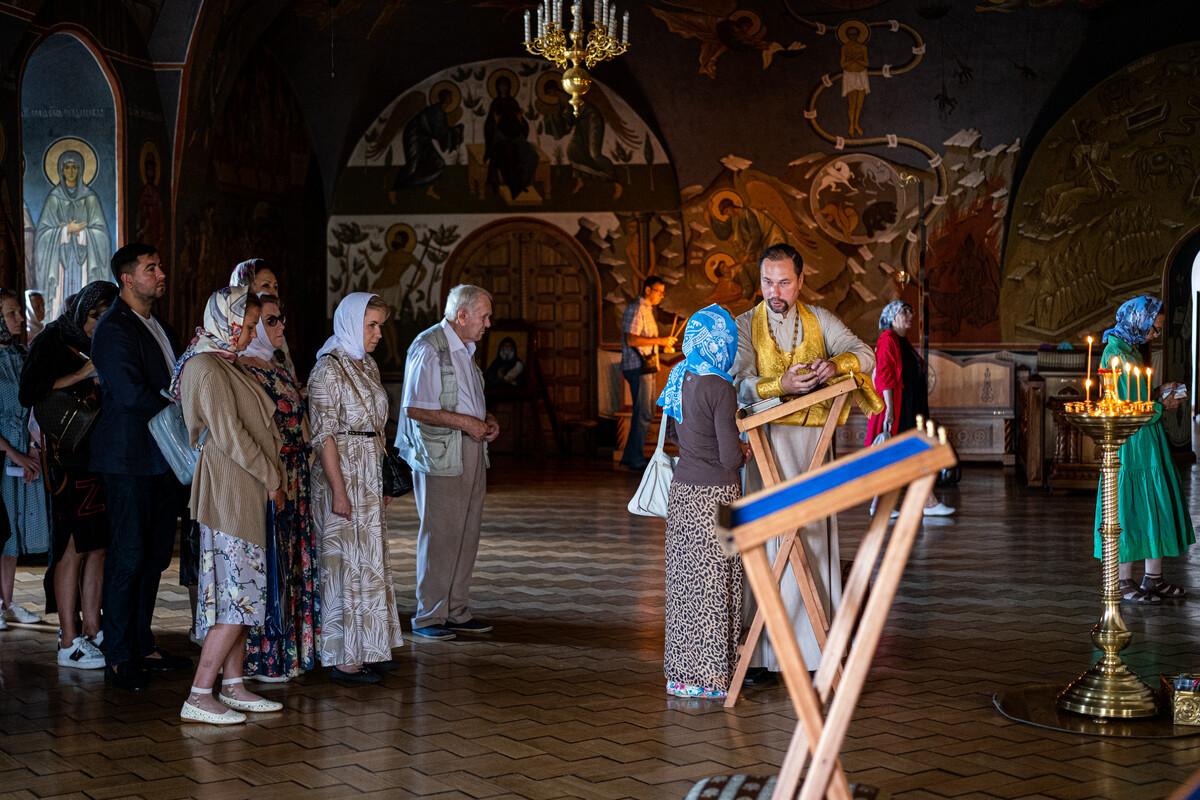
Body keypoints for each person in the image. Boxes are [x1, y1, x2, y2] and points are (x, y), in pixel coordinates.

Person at [731, 243, 882, 684]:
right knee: (769, 544)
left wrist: (834, 367)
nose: (774, 291)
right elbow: (739, 383)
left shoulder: (820, 320)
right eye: (767, 282)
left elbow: (866, 353)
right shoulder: (746, 324)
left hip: (814, 444)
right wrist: (781, 383)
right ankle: (763, 656)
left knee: (811, 541)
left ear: (800, 281)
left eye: (783, 282)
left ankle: (816, 649)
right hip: (767, 445)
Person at [176, 286, 286, 724]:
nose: (249, 333)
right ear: (225, 321)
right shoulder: (205, 366)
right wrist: (273, 478)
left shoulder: (225, 363)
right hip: (229, 493)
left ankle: (233, 685)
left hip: (244, 489)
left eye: (254, 326)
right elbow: (231, 436)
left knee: (243, 597)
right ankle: (199, 694)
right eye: (246, 324)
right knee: (237, 599)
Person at [90, 243, 191, 691]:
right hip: (129, 457)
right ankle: (118, 655)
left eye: (160, 265)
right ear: (127, 279)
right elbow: (131, 395)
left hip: (161, 458)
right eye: (151, 268)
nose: (160, 273)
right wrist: (184, 416)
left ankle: (141, 642)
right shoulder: (114, 329)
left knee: (153, 555)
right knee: (128, 555)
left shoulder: (159, 325)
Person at [19, 280, 118, 666]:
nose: (100, 325)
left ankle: (93, 630)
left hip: (96, 454)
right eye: (96, 318)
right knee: (71, 545)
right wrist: (83, 374)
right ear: (82, 312)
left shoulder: (100, 340)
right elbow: (31, 392)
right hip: (65, 458)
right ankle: (68, 639)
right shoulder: (52, 339)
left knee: (97, 545)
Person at [309, 293, 404, 682]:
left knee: (369, 561)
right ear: (350, 324)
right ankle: (343, 657)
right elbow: (323, 435)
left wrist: (380, 477)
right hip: (341, 471)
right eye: (372, 325)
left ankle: (370, 646)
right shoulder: (326, 370)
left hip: (367, 468)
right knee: (343, 564)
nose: (379, 333)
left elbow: (377, 429)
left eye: (380, 325)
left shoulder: (368, 366)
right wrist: (339, 489)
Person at [659, 304, 752, 699]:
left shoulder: (680, 375)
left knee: (685, 586)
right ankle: (712, 679)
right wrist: (745, 449)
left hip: (682, 494)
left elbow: (679, 438)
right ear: (722, 343)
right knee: (715, 586)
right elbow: (730, 457)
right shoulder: (720, 387)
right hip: (715, 495)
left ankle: (680, 676)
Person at [397, 284, 499, 641]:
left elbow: (463, 399)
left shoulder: (464, 348)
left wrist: (485, 418)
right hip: (440, 452)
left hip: (470, 447)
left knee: (467, 531)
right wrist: (466, 423)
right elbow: (414, 408)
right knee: (440, 533)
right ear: (462, 315)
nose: (488, 322)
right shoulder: (428, 347)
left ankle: (456, 610)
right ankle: (429, 617)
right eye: (484, 315)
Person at [239, 294, 319, 681]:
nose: (280, 326)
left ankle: (291, 655)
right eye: (271, 321)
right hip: (270, 476)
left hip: (296, 474)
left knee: (291, 563)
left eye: (280, 319)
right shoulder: (242, 369)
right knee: (270, 564)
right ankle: (263, 658)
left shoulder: (278, 364)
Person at [1095, 296, 1194, 604]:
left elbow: (1136, 394)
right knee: (1129, 507)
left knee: (1156, 503)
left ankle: (1153, 578)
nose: (1154, 335)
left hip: (1148, 440)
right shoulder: (1114, 352)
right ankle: (1123, 581)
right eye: (1153, 328)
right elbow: (1120, 406)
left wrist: (1157, 393)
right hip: (1130, 441)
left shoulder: (1131, 349)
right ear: (1137, 321)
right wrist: (1158, 404)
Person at [865, 301, 954, 516]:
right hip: (898, 407)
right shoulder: (888, 339)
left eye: (910, 310)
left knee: (904, 452)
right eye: (904, 311)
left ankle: (881, 505)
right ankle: (927, 502)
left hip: (909, 406)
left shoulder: (901, 341)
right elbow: (885, 375)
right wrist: (890, 408)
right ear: (892, 316)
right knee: (907, 452)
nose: (910, 315)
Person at [0, 288, 49, 627]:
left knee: (13, 528)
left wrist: (33, 448)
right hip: (3, 455)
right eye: (11, 313)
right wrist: (15, 454)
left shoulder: (21, 354)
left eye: (18, 312)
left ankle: (7, 602)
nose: (19, 319)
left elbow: (35, 403)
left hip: (23, 451)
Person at [34, 150, 112, 320]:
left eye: (74, 168)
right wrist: (65, 231)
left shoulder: (90, 199)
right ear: (61, 171)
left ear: (81, 170)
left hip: (84, 262)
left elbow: (102, 234)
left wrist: (84, 233)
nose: (70, 171)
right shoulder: (54, 199)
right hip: (60, 264)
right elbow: (42, 234)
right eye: (67, 167)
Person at [620, 276, 676, 471]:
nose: (661, 296)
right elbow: (631, 340)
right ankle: (634, 458)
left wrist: (661, 344)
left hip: (646, 366)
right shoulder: (636, 309)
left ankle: (630, 456)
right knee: (643, 412)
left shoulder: (647, 311)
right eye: (658, 291)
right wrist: (660, 341)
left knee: (646, 411)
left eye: (663, 292)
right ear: (647, 290)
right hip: (638, 366)